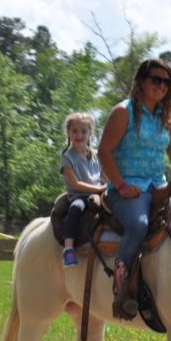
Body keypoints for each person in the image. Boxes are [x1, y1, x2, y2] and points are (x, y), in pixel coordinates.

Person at [99, 59, 171, 319]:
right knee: (139, 225)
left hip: (158, 184)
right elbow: (104, 152)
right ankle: (121, 289)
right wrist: (120, 185)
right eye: (156, 79)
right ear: (141, 81)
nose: (161, 85)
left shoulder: (166, 118)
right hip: (127, 186)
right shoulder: (124, 112)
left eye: (166, 82)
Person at [59, 112, 107, 267]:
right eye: (74, 131)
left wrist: (110, 186)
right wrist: (99, 188)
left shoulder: (97, 155)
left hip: (99, 193)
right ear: (68, 133)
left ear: (90, 133)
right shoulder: (67, 157)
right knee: (76, 208)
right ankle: (68, 248)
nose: (79, 135)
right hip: (80, 195)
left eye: (83, 131)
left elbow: (105, 176)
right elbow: (75, 184)